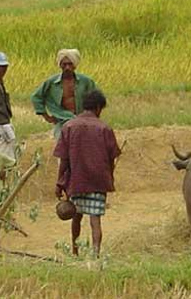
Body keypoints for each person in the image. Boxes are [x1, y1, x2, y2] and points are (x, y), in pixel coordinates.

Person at [54, 90, 121, 258]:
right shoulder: (104, 128)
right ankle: (95, 254)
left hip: (76, 181)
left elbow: (63, 159)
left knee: (76, 218)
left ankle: (75, 251)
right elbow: (111, 157)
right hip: (98, 181)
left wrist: (60, 183)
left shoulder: (68, 126)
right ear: (98, 107)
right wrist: (109, 178)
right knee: (95, 219)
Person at [31, 49, 98, 140]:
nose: (67, 67)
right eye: (64, 64)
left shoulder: (85, 81)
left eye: (70, 64)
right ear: (60, 65)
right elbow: (36, 97)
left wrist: (93, 117)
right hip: (62, 120)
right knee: (62, 144)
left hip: (83, 119)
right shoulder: (52, 82)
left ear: (75, 65)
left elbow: (97, 99)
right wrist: (46, 116)